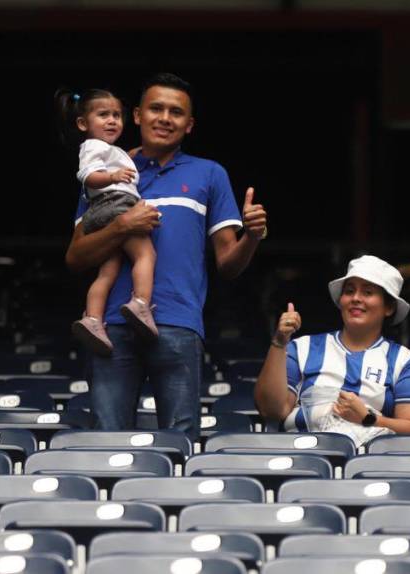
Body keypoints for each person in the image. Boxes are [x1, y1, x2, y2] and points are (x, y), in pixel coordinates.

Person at [65, 73, 268, 440]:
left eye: (176, 112)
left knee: (180, 438)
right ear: (138, 115)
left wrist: (251, 237)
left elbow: (228, 265)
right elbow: (76, 257)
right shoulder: (105, 173)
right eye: (156, 108)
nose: (165, 117)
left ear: (188, 125)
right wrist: (123, 226)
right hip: (110, 327)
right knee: (105, 439)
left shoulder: (209, 173)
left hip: (177, 323)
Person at [254, 255, 410, 445]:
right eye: (349, 291)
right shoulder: (302, 348)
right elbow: (271, 411)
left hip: (368, 466)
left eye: (367, 292)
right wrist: (279, 343)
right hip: (300, 456)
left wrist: (368, 418)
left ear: (388, 307)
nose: (356, 298)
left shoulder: (404, 361)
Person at [56, 88, 160, 358]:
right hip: (116, 205)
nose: (112, 120)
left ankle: (92, 318)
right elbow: (88, 175)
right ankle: (140, 303)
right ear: (83, 124)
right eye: (103, 115)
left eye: (116, 115)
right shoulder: (92, 146)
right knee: (145, 254)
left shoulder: (110, 150)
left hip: (101, 213)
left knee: (108, 271)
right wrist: (113, 176)